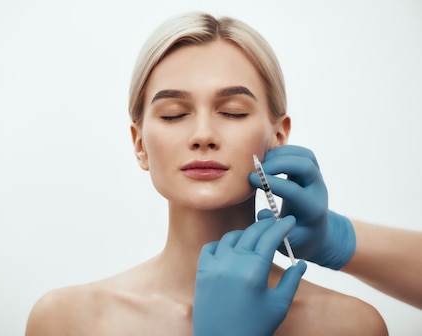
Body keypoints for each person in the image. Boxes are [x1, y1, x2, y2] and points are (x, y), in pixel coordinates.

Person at [25, 12, 388, 335]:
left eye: (232, 112)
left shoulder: (350, 326)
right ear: (140, 144)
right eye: (173, 114)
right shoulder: (66, 321)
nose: (202, 136)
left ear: (278, 137)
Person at [249, 145, 422, 310]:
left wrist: (338, 238)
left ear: (278, 136)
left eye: (234, 114)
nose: (219, 137)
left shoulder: (350, 321)